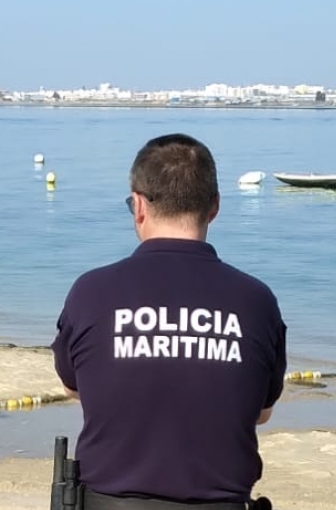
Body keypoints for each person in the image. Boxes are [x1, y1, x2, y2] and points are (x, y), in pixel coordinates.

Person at [51, 133, 288, 508]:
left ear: (139, 206)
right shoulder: (256, 301)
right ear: (214, 208)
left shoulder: (91, 292)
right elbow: (261, 412)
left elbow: (75, 388)